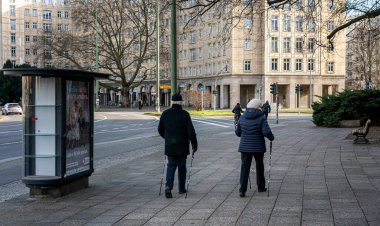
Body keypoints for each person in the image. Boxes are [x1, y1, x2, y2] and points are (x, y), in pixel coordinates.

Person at [158, 93, 198, 198]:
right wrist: (194, 144)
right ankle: (181, 188)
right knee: (182, 167)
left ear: (171, 102)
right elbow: (191, 131)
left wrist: (167, 138)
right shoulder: (185, 114)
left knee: (171, 166)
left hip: (170, 145)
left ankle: (168, 186)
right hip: (182, 145)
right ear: (181, 102)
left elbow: (160, 129)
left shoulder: (165, 114)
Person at [235, 98, 274, 197]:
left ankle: (242, 190)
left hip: (245, 147)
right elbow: (267, 132)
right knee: (259, 166)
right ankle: (261, 187)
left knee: (245, 168)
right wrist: (271, 138)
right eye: (261, 107)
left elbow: (238, 133)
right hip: (258, 147)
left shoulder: (242, 117)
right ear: (258, 107)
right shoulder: (261, 118)